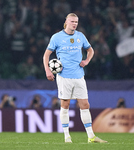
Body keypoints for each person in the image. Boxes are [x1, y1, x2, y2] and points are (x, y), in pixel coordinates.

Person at [43, 13, 107, 143]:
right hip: (64, 76)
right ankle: (67, 136)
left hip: (79, 76)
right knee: (65, 105)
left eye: (76, 22)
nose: (74, 24)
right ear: (66, 21)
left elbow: (91, 50)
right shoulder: (57, 37)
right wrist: (48, 70)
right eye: (72, 21)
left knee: (85, 104)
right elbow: (46, 55)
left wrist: (86, 61)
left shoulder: (80, 36)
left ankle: (91, 136)